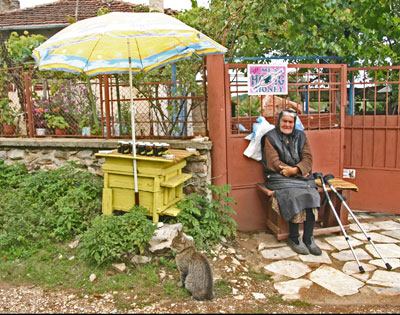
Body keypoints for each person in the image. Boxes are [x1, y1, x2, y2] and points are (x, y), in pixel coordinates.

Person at [261, 109, 322, 255]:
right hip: (277, 177)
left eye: (290, 122)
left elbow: (308, 158)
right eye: (284, 121)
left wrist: (295, 170)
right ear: (279, 121)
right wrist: (293, 171)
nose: (287, 124)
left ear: (294, 123)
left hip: (299, 175)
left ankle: (308, 238)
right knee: (294, 194)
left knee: (312, 194)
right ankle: (294, 238)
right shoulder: (270, 137)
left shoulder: (301, 136)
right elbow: (274, 162)